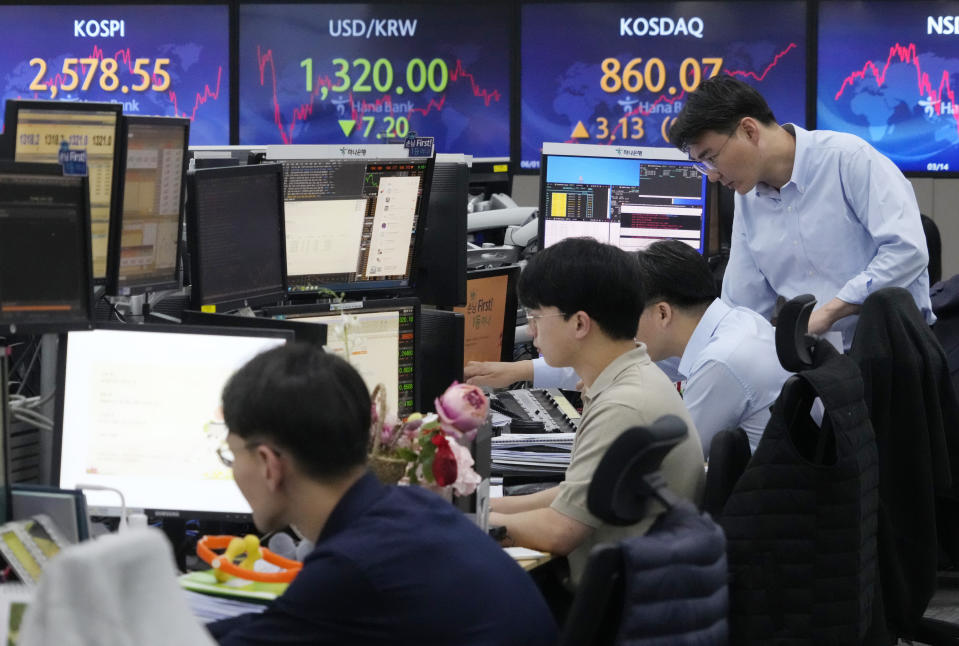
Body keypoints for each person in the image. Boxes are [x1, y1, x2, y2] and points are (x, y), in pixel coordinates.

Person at [207, 344, 558, 646]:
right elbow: (277, 624)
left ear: (269, 464)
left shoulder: (349, 568)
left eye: (232, 455)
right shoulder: (413, 505)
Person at [488, 237, 705, 586]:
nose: (531, 332)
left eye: (536, 317)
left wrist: (464, 521)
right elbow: (576, 495)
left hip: (614, 608)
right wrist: (486, 507)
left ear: (579, 324)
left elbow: (559, 532)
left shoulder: (622, 405)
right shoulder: (632, 378)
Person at [667, 75, 934, 348]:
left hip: (892, 350)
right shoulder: (747, 197)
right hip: (816, 357)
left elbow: (907, 251)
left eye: (711, 158)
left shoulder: (848, 159)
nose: (711, 176)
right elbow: (742, 305)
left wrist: (830, 313)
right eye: (702, 165)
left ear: (749, 130)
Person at [635, 239, 790, 456]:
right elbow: (660, 367)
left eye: (633, 314)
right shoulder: (742, 319)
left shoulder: (720, 362)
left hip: (758, 486)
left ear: (663, 313)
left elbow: (675, 460)